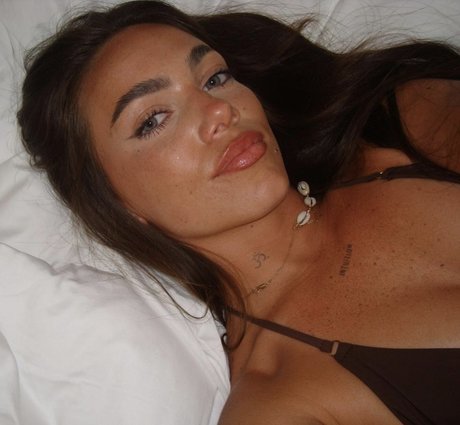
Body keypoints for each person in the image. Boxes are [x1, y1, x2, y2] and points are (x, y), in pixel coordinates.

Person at [17, 1, 460, 424]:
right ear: (116, 203)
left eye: (215, 78)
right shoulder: (279, 404)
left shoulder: (405, 118)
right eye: (153, 119)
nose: (220, 110)